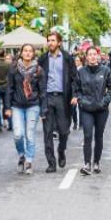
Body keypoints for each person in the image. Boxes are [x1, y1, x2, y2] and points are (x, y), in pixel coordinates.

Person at [72, 46, 111, 175]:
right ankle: (87, 164)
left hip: (101, 109)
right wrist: (81, 100)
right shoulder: (81, 72)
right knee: (88, 135)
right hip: (86, 109)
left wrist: (104, 102)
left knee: (99, 136)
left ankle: (96, 162)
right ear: (86, 57)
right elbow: (76, 89)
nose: (92, 56)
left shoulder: (105, 70)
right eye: (89, 54)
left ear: (98, 56)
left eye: (94, 54)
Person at [38, 31, 76, 172]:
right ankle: (51, 163)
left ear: (59, 43)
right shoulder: (42, 59)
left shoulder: (67, 58)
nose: (50, 43)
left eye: (53, 40)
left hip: (62, 98)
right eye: (48, 40)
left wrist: (74, 95)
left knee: (64, 130)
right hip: (47, 98)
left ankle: (61, 151)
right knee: (47, 131)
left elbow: (74, 78)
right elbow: (37, 79)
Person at [4, 43, 42, 175]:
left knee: (29, 134)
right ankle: (21, 155)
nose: (27, 53)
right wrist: (7, 107)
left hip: (33, 105)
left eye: (30, 51)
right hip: (17, 106)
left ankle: (29, 161)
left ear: (33, 54)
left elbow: (42, 90)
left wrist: (44, 109)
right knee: (18, 134)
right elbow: (9, 88)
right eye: (25, 51)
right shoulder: (14, 68)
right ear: (21, 53)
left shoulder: (38, 69)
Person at [70, 53, 84, 130]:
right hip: (74, 91)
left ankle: (80, 124)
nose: (76, 61)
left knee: (80, 108)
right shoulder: (73, 70)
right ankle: (75, 122)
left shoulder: (83, 70)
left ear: (81, 61)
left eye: (78, 60)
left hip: (81, 91)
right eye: (75, 60)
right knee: (74, 108)